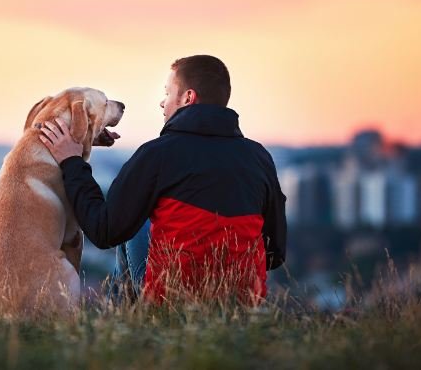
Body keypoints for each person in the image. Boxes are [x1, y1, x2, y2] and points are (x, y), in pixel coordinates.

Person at [40, 55, 287, 306]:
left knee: (133, 226)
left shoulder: (157, 154)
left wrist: (72, 162)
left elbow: (103, 231)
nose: (162, 102)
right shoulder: (259, 158)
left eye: (168, 93)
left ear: (188, 98)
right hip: (243, 302)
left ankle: (123, 328)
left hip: (172, 299)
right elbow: (275, 253)